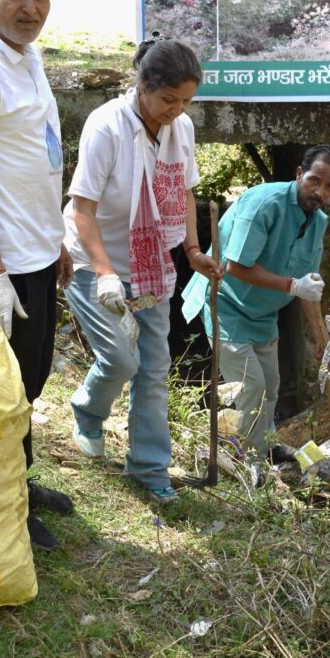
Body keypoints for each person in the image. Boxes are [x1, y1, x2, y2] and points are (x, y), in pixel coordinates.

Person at [63, 36, 222, 503]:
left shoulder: (182, 129)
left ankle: (150, 468)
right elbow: (82, 209)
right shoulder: (106, 126)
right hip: (94, 262)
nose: (176, 109)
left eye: (186, 100)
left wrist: (193, 250)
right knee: (121, 359)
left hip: (152, 267)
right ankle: (87, 412)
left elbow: (186, 192)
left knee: (153, 368)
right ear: (142, 85)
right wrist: (105, 272)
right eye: (169, 99)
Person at [0, 0, 74, 552]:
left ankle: (21, 480)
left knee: (30, 382)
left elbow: (37, 156)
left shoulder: (27, 55)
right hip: (2, 264)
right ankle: (2, 503)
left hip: (37, 252)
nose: (29, 6)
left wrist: (56, 240)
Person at [183, 144, 330, 461]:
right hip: (225, 303)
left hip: (263, 313)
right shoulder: (264, 204)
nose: (320, 191)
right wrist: (291, 285)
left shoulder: (317, 221)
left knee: (271, 384)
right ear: (299, 174)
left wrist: (321, 340)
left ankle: (264, 448)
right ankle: (248, 462)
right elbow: (236, 266)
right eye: (315, 180)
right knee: (251, 387)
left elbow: (308, 286)